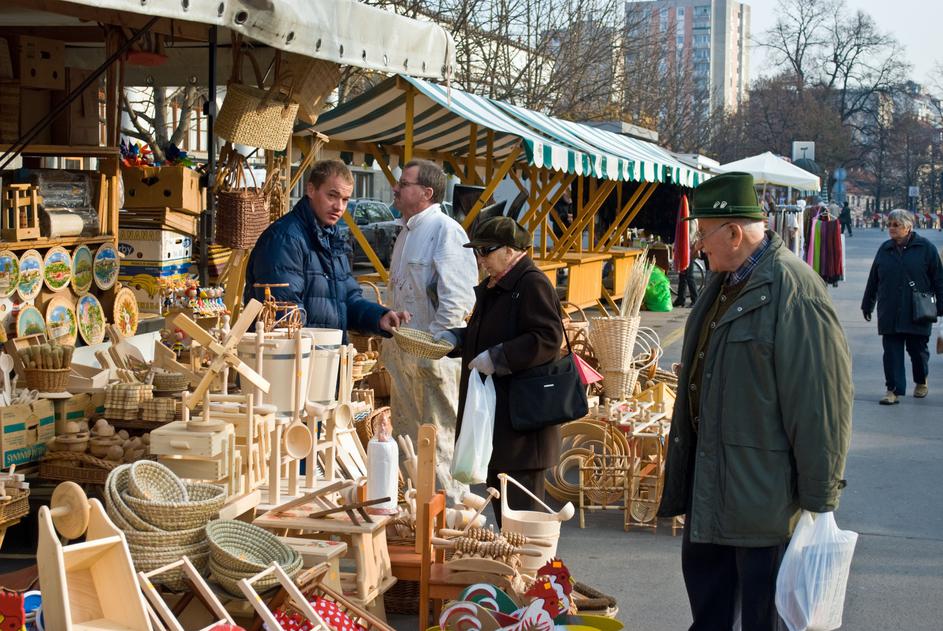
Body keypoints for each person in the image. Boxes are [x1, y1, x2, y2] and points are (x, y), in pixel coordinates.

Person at [657, 172, 853, 631]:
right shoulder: (724, 282)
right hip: (713, 492)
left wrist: (820, 498)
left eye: (702, 233)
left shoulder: (795, 291)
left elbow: (821, 406)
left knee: (762, 620)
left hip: (763, 504)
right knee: (711, 615)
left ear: (734, 232)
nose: (699, 246)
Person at [440, 217, 563, 527]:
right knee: (505, 514)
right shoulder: (499, 284)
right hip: (500, 422)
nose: (480, 259)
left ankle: (532, 574)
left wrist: (499, 357)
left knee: (523, 521)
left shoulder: (532, 282)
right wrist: (457, 338)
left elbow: (548, 338)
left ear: (510, 250)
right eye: (476, 251)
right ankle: (515, 573)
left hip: (523, 426)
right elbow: (488, 334)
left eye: (485, 251)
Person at [381, 159, 477, 501]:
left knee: (439, 441)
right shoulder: (406, 231)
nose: (396, 188)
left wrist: (437, 349)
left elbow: (458, 297)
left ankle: (451, 515)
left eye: (404, 183)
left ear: (426, 192)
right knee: (408, 441)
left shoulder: (446, 231)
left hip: (433, 360)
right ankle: (416, 517)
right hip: (405, 355)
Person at [245, 159, 409, 339]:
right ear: (311, 190)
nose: (339, 207)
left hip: (325, 357)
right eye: (332, 195)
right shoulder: (284, 239)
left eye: (345, 199)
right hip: (296, 360)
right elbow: (283, 317)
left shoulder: (334, 239)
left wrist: (378, 317)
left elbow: (347, 300)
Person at [861, 209, 943, 405]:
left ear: (908, 227)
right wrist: (868, 304)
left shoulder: (926, 248)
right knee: (891, 352)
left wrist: (940, 306)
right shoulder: (885, 249)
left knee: (918, 351)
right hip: (890, 308)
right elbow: (874, 279)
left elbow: (939, 279)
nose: (891, 228)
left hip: (918, 309)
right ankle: (893, 390)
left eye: (896, 225)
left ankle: (921, 380)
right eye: (889, 225)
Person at [674, 217, 700, 308]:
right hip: (686, 249)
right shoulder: (688, 219)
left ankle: (695, 299)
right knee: (683, 275)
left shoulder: (692, 219)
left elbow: (691, 235)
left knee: (689, 275)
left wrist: (683, 245)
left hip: (689, 250)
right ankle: (680, 299)